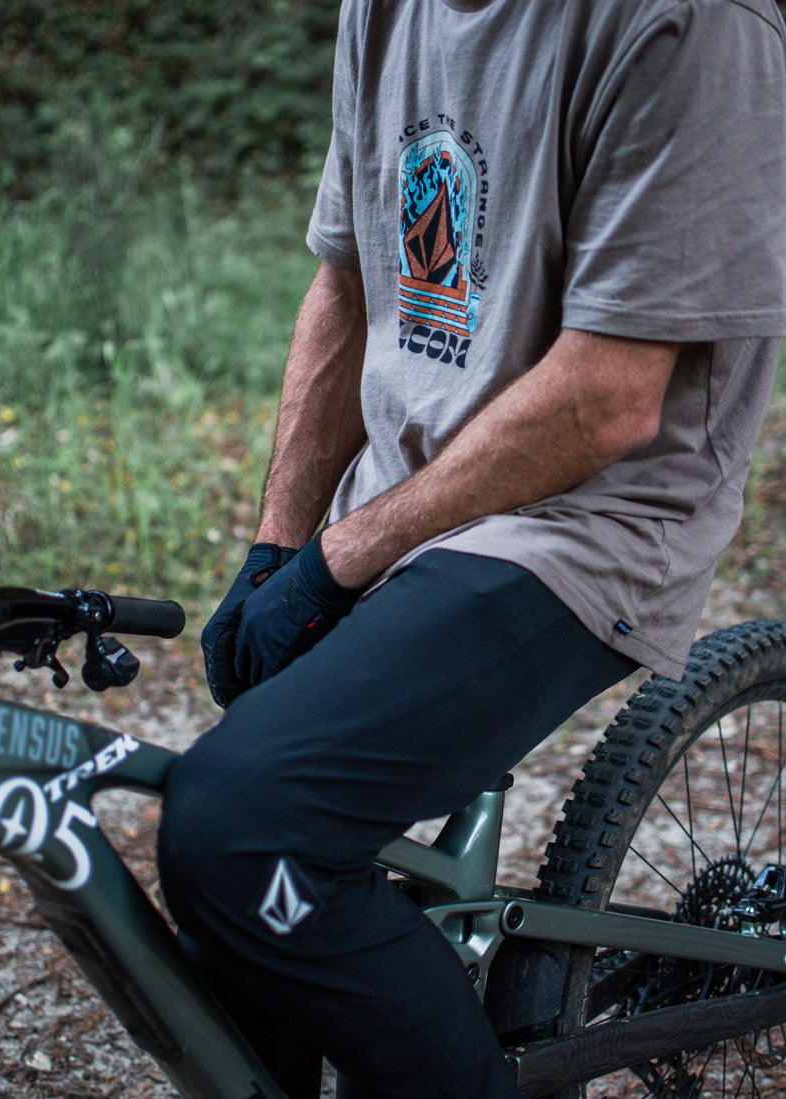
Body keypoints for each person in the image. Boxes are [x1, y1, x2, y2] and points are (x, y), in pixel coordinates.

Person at [157, 1, 786, 1096]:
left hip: (587, 520)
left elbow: (609, 396)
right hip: (409, 505)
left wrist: (337, 560)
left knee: (243, 833)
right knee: (251, 891)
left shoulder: (693, 23)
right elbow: (347, 283)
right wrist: (276, 547)